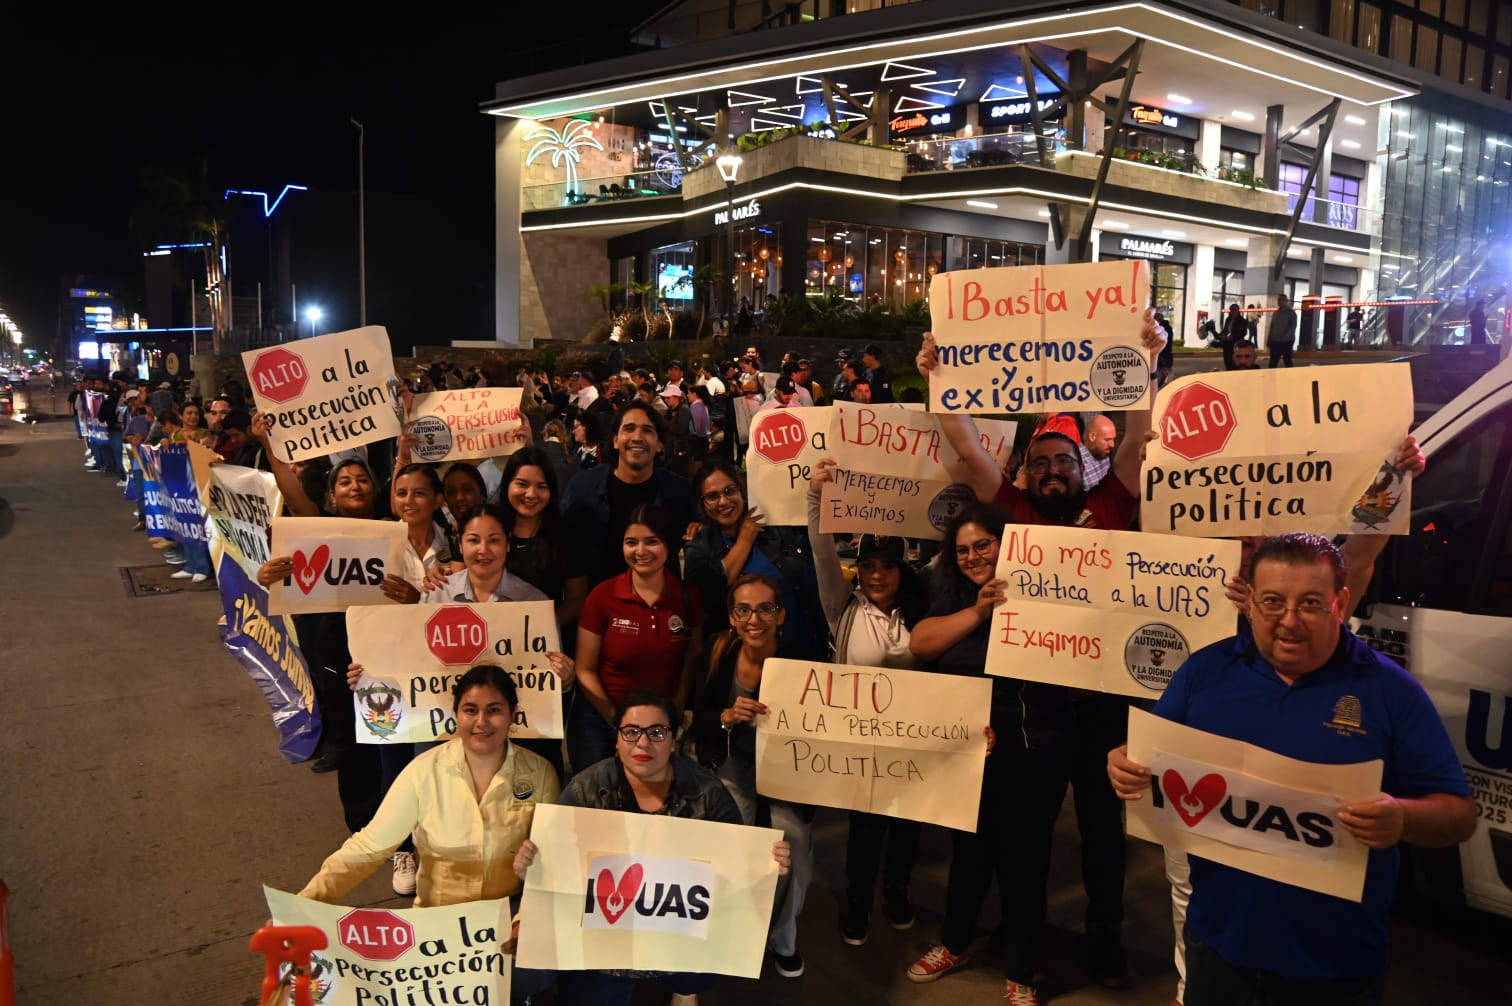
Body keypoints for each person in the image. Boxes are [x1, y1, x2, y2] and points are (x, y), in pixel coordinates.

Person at [1108, 534, 1475, 1006]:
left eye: (1310, 603)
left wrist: (1401, 817)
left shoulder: (1391, 692)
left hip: (1334, 967)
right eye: (1273, 602)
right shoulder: (1204, 672)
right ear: (1250, 602)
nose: (1289, 621)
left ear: (1339, 603)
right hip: (1217, 948)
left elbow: (1459, 815)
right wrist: (1122, 763)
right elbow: (1145, 755)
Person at [513, 690, 791, 1005]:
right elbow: (553, 866)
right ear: (616, 739)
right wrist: (532, 867)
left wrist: (767, 863)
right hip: (602, 947)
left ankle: (683, 990)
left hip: (677, 940)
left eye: (656, 732)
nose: (643, 743)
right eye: (631, 732)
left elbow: (739, 869)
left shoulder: (708, 793)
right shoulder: (584, 789)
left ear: (673, 739)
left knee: (693, 977)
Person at [904, 503, 1063, 1005]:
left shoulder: (1048, 594)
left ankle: (1020, 972)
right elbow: (921, 643)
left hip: (1033, 750)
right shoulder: (955, 595)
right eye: (963, 549)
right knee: (968, 855)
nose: (974, 556)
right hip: (968, 752)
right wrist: (978, 611)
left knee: (1025, 863)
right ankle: (955, 943)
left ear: (1007, 542)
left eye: (983, 545)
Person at [299, 666, 557, 909]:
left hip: (512, 926)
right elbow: (368, 848)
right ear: (456, 714)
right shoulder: (423, 772)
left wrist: (524, 912)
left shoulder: (541, 774)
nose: (481, 721)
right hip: (437, 934)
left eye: (494, 710)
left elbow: (552, 862)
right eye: (470, 710)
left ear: (513, 714)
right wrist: (305, 905)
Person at [808, 462, 928, 945]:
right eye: (869, 565)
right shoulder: (843, 606)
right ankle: (858, 899)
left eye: (888, 565)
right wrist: (816, 497)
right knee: (866, 829)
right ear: (857, 568)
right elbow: (820, 550)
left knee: (908, 825)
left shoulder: (922, 610)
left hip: (916, 742)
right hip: (863, 745)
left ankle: (896, 890)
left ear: (903, 570)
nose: (877, 574)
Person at [690, 574, 814, 979]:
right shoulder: (716, 650)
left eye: (765, 608)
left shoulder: (802, 660)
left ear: (781, 615)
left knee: (790, 846)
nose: (754, 618)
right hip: (730, 766)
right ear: (732, 615)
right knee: (734, 843)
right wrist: (725, 718)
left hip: (786, 774)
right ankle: (728, 930)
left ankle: (782, 939)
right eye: (743, 609)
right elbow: (697, 718)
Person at [571, 504, 702, 771]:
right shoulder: (603, 596)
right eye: (631, 542)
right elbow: (584, 669)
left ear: (668, 544)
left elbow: (693, 655)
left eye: (651, 542)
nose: (640, 552)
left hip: (660, 722)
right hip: (601, 720)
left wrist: (676, 705)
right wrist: (615, 718)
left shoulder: (687, 596)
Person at [682, 459, 825, 655]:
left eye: (729, 491)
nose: (723, 501)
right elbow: (708, 598)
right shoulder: (700, 546)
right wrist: (744, 541)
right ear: (702, 503)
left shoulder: (777, 525)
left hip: (802, 648)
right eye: (712, 496)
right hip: (742, 659)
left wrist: (816, 491)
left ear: (741, 490)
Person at [561, 402, 694, 588]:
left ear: (659, 445)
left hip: (659, 605)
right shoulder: (583, 487)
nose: (637, 437)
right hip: (598, 605)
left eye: (647, 431)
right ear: (615, 440)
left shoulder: (678, 492)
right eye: (629, 429)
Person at [1079, 414, 1117, 491]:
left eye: (1113, 439)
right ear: (1092, 437)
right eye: (1107, 440)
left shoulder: (1102, 452)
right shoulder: (1076, 463)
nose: (1112, 445)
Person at [1267, 294, 1297, 368]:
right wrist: (1269, 339)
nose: (1279, 302)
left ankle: (1292, 377)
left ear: (1286, 301)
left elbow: (1293, 326)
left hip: (1286, 341)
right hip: (1275, 341)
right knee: (1273, 361)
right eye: (1279, 300)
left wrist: (1286, 336)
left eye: (1281, 300)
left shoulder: (1291, 313)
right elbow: (1272, 326)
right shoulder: (1276, 313)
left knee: (1287, 361)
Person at [1217, 304, 1247, 370]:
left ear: (1237, 311)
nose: (1232, 311)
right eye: (1231, 310)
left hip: (1236, 343)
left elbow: (1243, 333)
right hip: (1227, 343)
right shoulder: (1228, 319)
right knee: (1227, 360)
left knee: (1234, 361)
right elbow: (1225, 329)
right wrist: (1221, 335)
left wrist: (1233, 337)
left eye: (1234, 310)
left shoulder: (1242, 321)